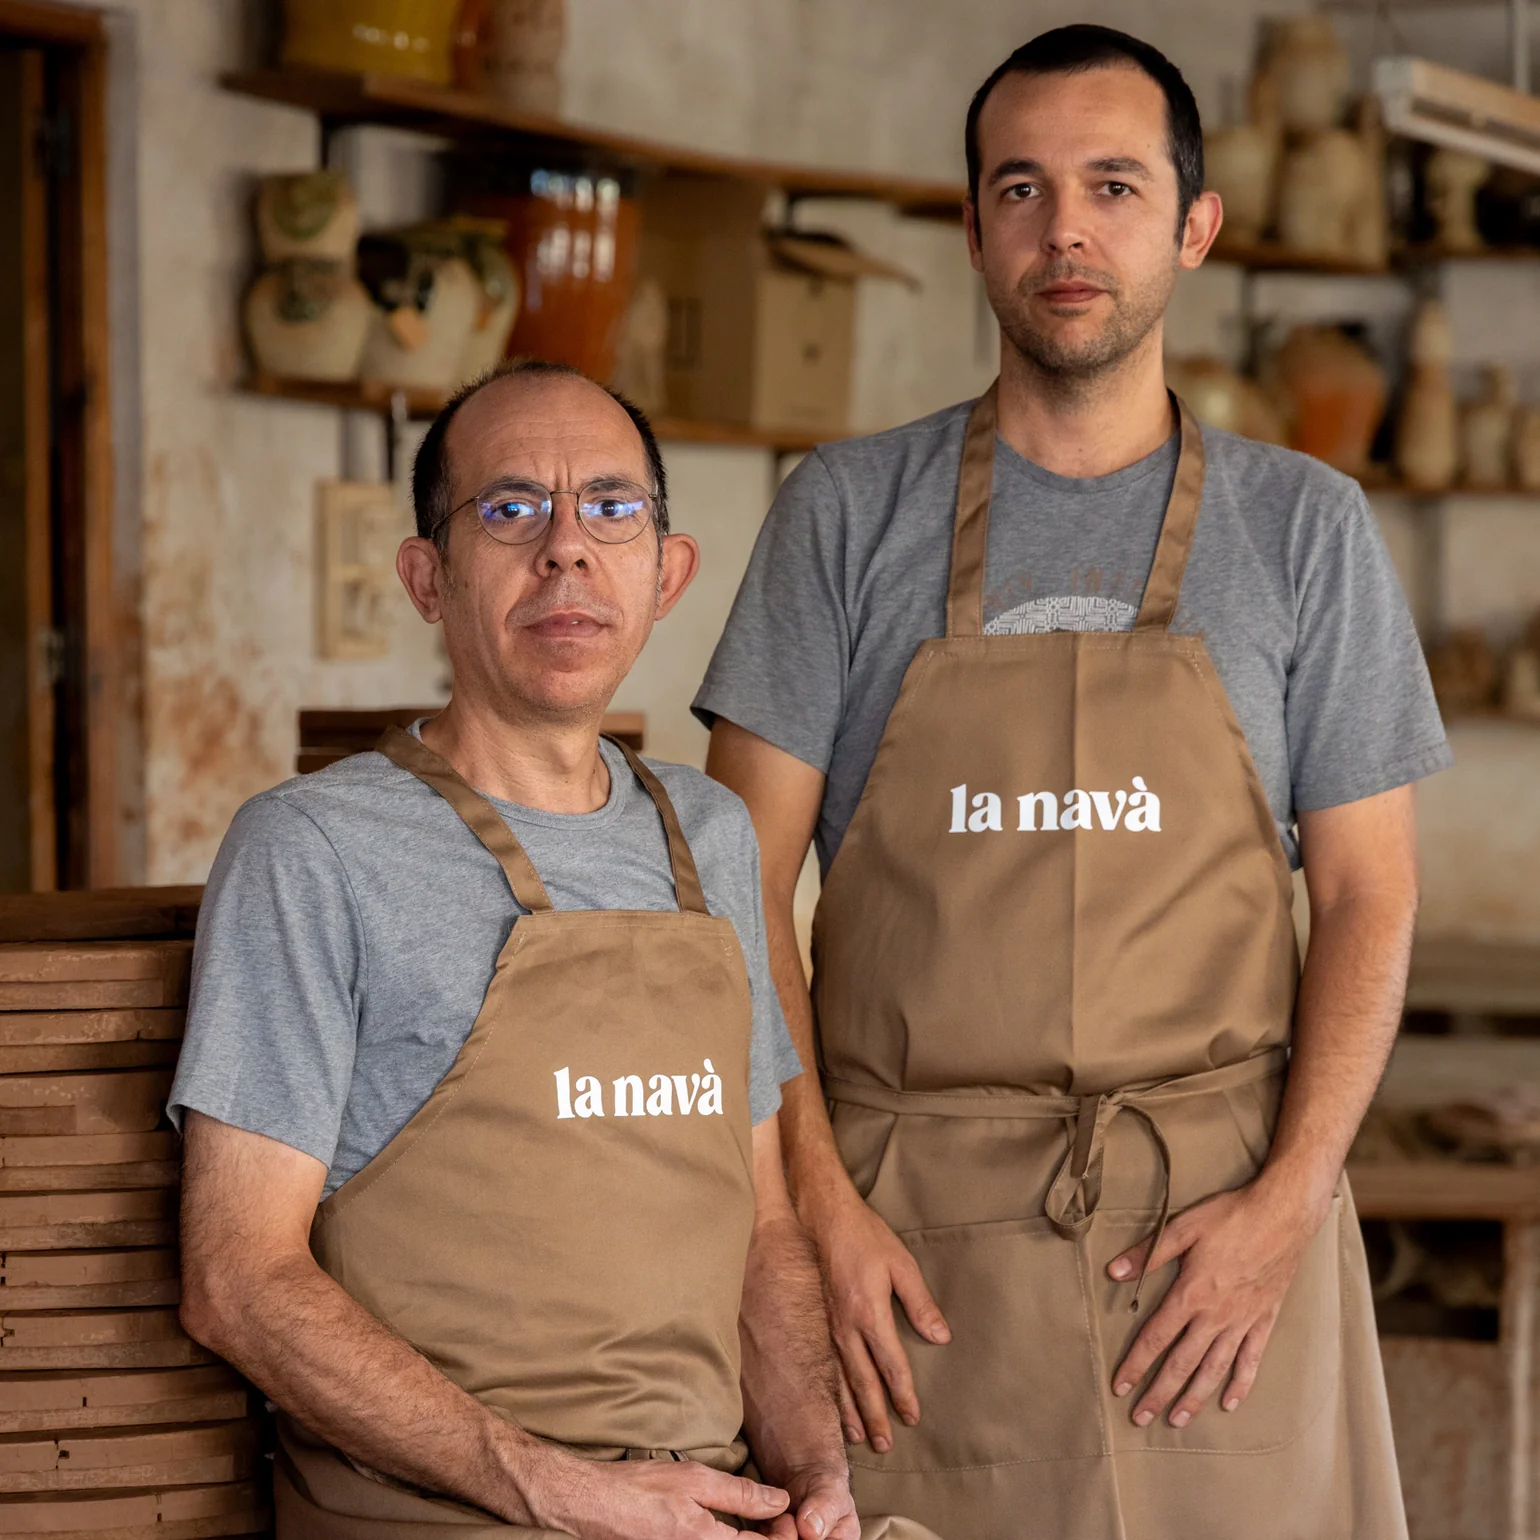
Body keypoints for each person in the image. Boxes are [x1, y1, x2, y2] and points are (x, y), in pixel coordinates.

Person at [697, 26, 1447, 1540]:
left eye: (1114, 183)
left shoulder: (1305, 529)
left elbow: (1371, 892)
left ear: (1194, 223)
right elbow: (735, 885)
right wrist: (812, 1218)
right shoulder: (842, 515)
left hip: (1222, 1247)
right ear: (973, 226)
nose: (1067, 232)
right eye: (1021, 189)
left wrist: (1290, 1204)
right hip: (910, 1266)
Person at [171, 361, 878, 1539]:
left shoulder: (708, 831)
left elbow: (761, 1226)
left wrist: (814, 1481)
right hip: (447, 1515)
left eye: (611, 508)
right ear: (425, 578)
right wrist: (559, 1487)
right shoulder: (312, 850)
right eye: (508, 509)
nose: (566, 549)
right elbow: (238, 1279)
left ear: (667, 572)